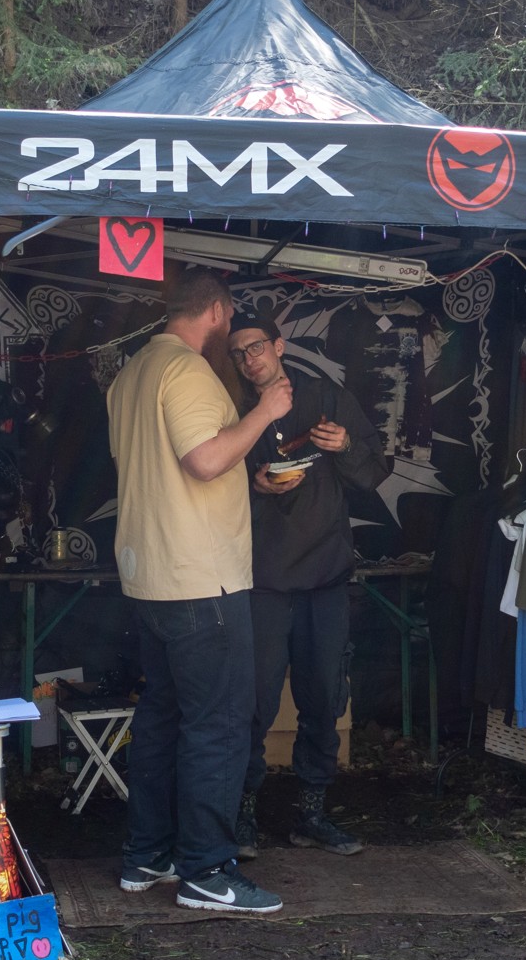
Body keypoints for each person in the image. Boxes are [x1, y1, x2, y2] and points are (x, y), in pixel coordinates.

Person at [106, 267, 293, 914]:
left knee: (162, 719)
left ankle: (147, 854)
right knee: (218, 725)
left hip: (150, 577)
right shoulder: (185, 370)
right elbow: (204, 460)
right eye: (230, 319)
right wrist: (265, 411)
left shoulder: (132, 373)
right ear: (216, 311)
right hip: (201, 580)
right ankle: (208, 870)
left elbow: (166, 468)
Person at [227, 310, 388, 858]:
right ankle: (242, 814)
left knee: (324, 698)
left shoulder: (324, 398)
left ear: (278, 346)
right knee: (254, 702)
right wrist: (254, 488)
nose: (249, 360)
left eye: (256, 347)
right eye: (238, 353)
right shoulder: (233, 409)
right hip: (262, 579)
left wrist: (344, 446)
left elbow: (374, 472)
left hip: (324, 575)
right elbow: (204, 481)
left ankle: (311, 813)